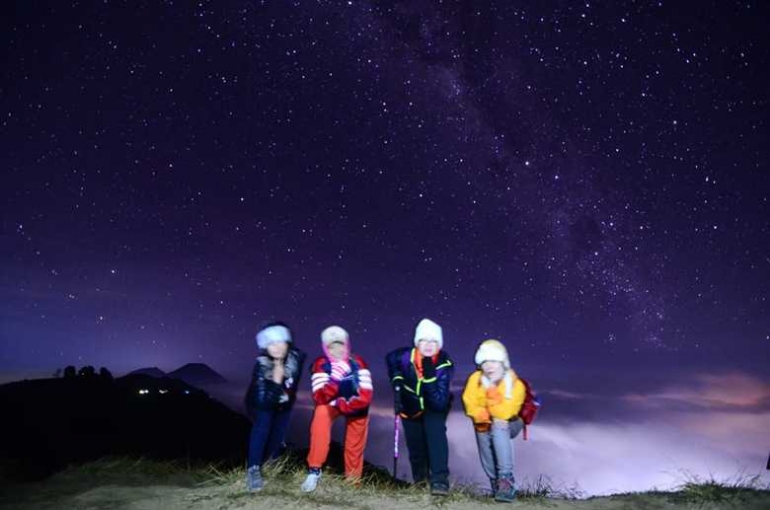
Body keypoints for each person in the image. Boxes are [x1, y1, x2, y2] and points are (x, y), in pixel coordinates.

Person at [386, 318, 454, 496]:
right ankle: (420, 482)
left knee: (436, 439)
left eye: (434, 341)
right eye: (424, 340)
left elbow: (439, 402)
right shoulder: (403, 356)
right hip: (410, 405)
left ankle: (439, 481)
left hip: (434, 407)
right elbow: (391, 361)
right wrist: (397, 379)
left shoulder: (444, 365)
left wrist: (430, 378)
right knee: (416, 447)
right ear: (417, 342)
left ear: (439, 344)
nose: (429, 345)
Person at [301, 325, 373, 492]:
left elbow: (366, 395)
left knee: (359, 421)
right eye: (332, 346)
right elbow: (319, 397)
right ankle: (314, 470)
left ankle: (353, 481)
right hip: (331, 404)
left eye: (340, 344)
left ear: (346, 345)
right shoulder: (321, 364)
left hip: (354, 404)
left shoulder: (358, 362)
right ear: (326, 349)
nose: (337, 350)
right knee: (321, 414)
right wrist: (335, 379)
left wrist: (345, 404)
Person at [244, 321, 306, 491]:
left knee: (278, 432)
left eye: (280, 341)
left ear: (287, 342)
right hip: (259, 402)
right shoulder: (262, 365)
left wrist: (286, 397)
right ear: (265, 347)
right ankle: (253, 468)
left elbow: (293, 382)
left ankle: (272, 465)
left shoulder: (295, 359)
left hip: (284, 404)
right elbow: (264, 400)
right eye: (271, 343)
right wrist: (277, 381)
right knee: (263, 424)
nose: (276, 347)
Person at [462, 339, 526, 502]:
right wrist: (480, 415)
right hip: (487, 421)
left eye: (494, 361)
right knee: (482, 429)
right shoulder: (475, 379)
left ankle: (506, 479)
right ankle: (495, 483)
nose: (489, 366)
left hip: (511, 423)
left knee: (498, 424)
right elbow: (469, 402)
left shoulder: (515, 384)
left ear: (503, 363)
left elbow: (505, 413)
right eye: (485, 362)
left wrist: (490, 397)